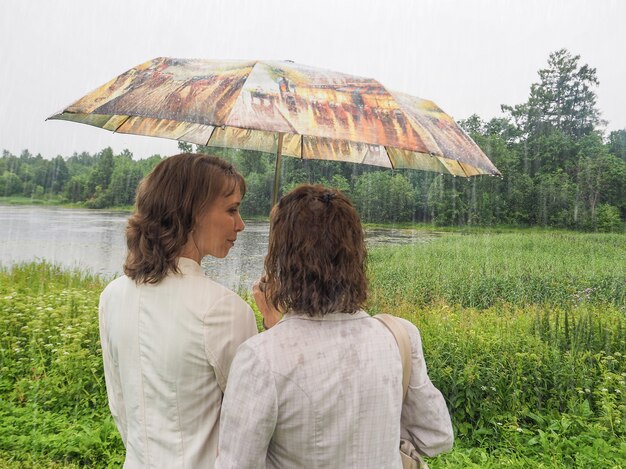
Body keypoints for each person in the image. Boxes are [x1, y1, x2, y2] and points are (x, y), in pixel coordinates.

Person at [216, 184, 453, 469]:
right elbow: (436, 437)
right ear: (354, 255)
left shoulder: (260, 357)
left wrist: (275, 330)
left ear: (284, 260)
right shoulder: (399, 335)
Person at [98, 153, 258, 468]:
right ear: (192, 212)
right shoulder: (223, 310)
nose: (240, 225)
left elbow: (120, 406)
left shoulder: (112, 296)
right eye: (232, 209)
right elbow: (252, 427)